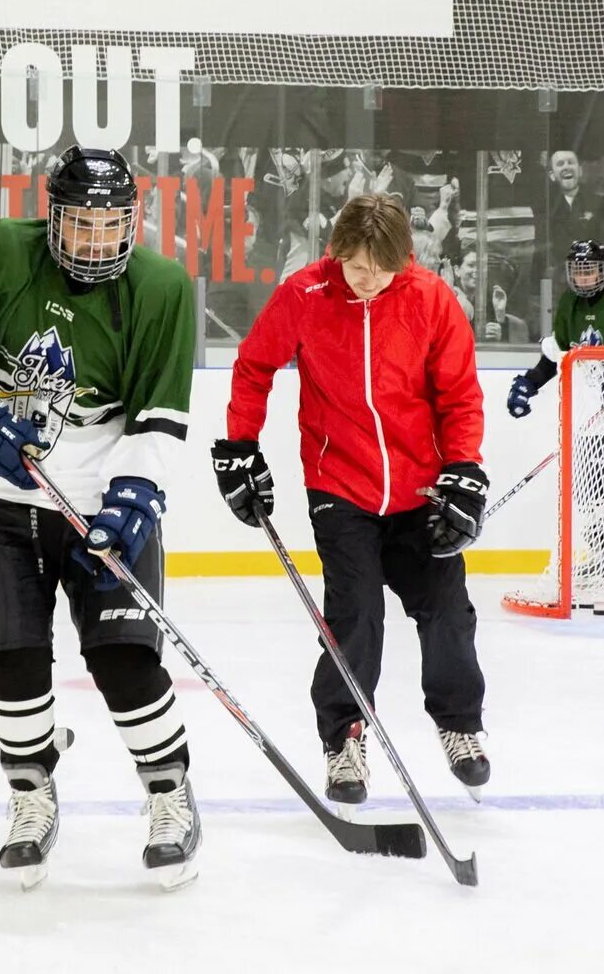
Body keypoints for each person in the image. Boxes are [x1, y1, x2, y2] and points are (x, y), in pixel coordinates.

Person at [0, 145, 201, 890]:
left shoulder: (161, 287)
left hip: (102, 508)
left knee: (125, 664)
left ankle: (171, 797)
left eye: (111, 224)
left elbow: (158, 420)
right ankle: (32, 797)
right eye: (81, 224)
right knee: (10, 665)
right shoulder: (2, 250)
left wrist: (134, 497)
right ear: (52, 216)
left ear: (133, 220)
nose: (97, 241)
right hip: (2, 509)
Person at [210, 193, 493, 808]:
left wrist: (465, 468)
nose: (368, 281)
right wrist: (238, 446)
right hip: (340, 485)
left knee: (447, 612)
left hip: (421, 489)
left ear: (403, 258)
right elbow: (255, 367)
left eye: (381, 269)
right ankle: (344, 736)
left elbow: (459, 396)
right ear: (337, 253)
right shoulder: (305, 295)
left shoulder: (430, 299)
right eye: (357, 267)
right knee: (356, 618)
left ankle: (459, 724)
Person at [506, 240, 604, 582]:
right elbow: (555, 352)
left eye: (589, 270)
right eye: (578, 271)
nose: (584, 278)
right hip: (590, 413)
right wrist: (529, 383)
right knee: (587, 487)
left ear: (603, 270)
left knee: (602, 481)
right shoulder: (569, 304)